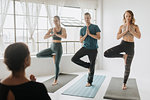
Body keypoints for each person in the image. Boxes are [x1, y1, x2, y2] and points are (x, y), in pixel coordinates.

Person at [104, 10, 141, 90]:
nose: (128, 18)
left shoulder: (135, 26)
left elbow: (139, 36)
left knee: (127, 67)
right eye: (126, 16)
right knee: (106, 53)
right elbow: (117, 37)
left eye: (129, 16)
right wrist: (126, 31)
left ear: (132, 17)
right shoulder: (121, 26)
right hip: (123, 44)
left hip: (130, 46)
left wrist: (131, 31)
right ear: (124, 16)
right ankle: (123, 56)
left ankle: (124, 83)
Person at [71, 12, 101, 87]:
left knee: (92, 65)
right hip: (85, 48)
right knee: (74, 59)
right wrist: (86, 35)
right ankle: (88, 66)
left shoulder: (95, 27)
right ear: (84, 19)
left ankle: (89, 82)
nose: (86, 19)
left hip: (93, 49)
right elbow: (81, 40)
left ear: (90, 18)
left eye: (88, 17)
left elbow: (98, 37)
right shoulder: (82, 29)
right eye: (85, 18)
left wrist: (90, 34)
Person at [36, 16, 67, 85]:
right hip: (52, 47)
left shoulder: (63, 29)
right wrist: (51, 34)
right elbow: (44, 37)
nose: (55, 22)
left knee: (56, 64)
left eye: (56, 20)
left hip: (58, 48)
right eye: (54, 21)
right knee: (38, 55)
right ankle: (52, 56)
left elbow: (64, 37)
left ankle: (55, 80)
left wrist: (56, 34)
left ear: (59, 21)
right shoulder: (51, 29)